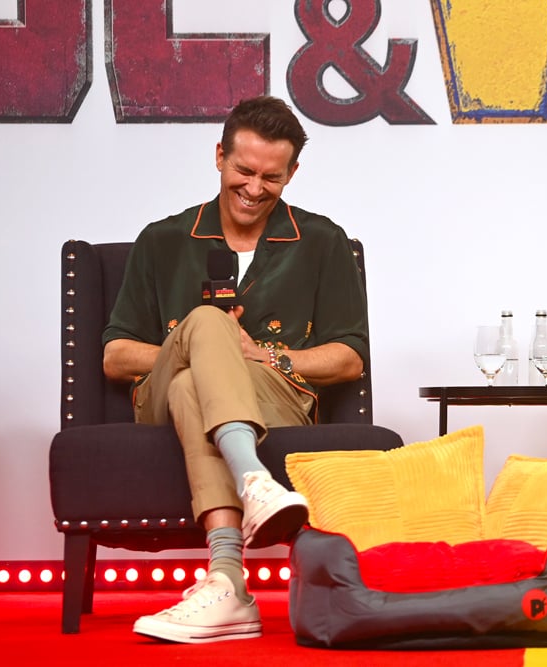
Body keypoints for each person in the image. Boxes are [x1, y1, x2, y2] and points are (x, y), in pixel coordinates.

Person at [102, 96, 368, 643]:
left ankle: (226, 581)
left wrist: (266, 356)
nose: (254, 187)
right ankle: (254, 480)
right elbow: (115, 356)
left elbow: (348, 358)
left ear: (292, 173)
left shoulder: (322, 241)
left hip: (275, 396)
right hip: (157, 405)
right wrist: (207, 342)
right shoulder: (162, 239)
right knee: (202, 327)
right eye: (243, 170)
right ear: (219, 156)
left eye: (272, 176)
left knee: (188, 384)